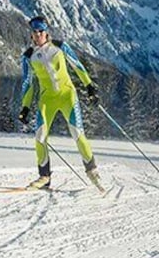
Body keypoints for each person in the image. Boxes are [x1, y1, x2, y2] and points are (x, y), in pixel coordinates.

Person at [18, 16, 100, 189]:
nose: (38, 34)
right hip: (47, 99)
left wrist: (89, 86)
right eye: (35, 32)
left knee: (77, 133)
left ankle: (92, 170)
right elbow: (28, 84)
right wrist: (25, 107)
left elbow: (78, 66)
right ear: (31, 35)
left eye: (41, 31)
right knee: (40, 136)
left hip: (67, 95)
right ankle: (44, 177)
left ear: (46, 31)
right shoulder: (28, 57)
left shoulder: (60, 47)